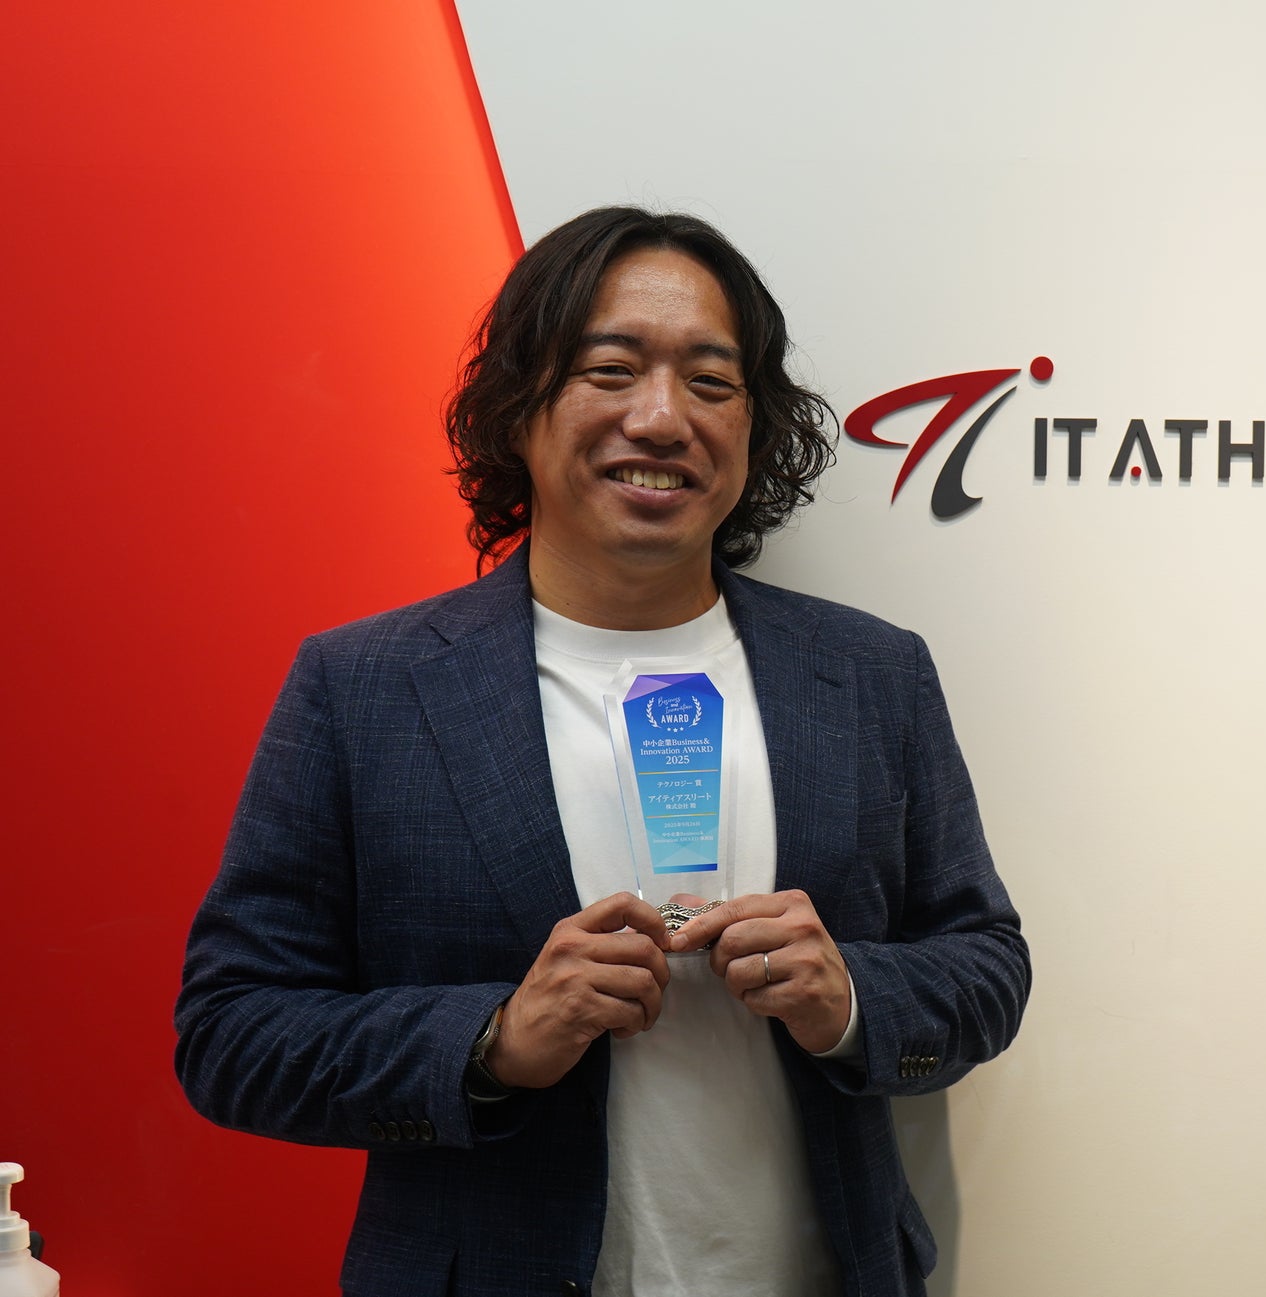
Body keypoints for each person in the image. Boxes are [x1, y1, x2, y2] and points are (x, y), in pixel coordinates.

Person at [175, 207, 1030, 1297]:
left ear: (755, 427)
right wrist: (494, 1039)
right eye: (610, 369)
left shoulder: (870, 674)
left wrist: (850, 996)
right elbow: (232, 1033)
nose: (662, 417)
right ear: (518, 407)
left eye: (711, 382)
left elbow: (986, 963)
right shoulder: (365, 687)